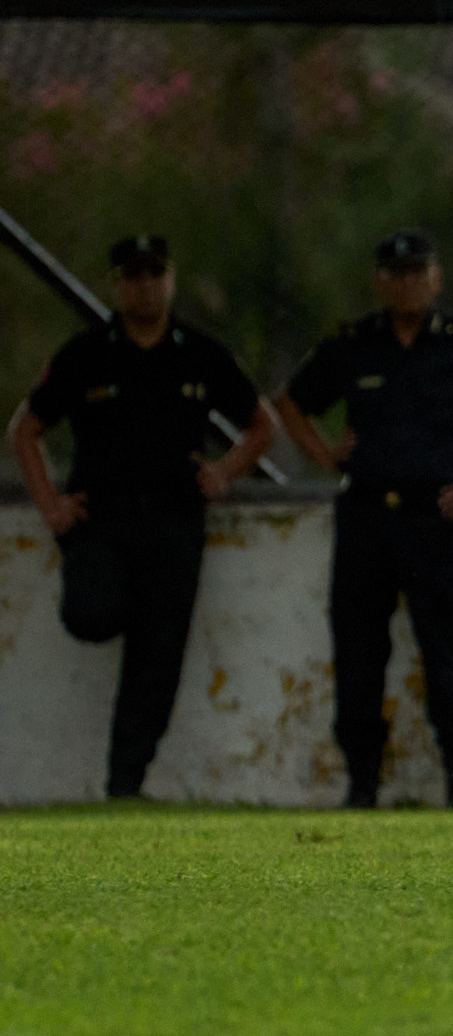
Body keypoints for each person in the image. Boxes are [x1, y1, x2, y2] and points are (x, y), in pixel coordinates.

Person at [273, 230, 453, 809]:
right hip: (367, 515)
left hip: (435, 520)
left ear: (437, 279)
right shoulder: (354, 343)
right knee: (359, 649)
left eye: (419, 271)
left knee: (447, 650)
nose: (409, 282)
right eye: (397, 273)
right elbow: (289, 403)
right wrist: (324, 456)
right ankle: (362, 783)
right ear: (380, 282)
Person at [7, 234, 276, 799]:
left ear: (171, 281)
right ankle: (127, 598)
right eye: (133, 276)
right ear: (117, 284)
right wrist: (50, 503)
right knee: (90, 613)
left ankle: (124, 784)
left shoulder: (200, 354)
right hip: (100, 518)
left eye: (155, 274)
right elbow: (25, 431)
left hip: (175, 520)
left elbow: (261, 425)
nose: (145, 286)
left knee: (158, 660)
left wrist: (224, 472)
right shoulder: (86, 354)